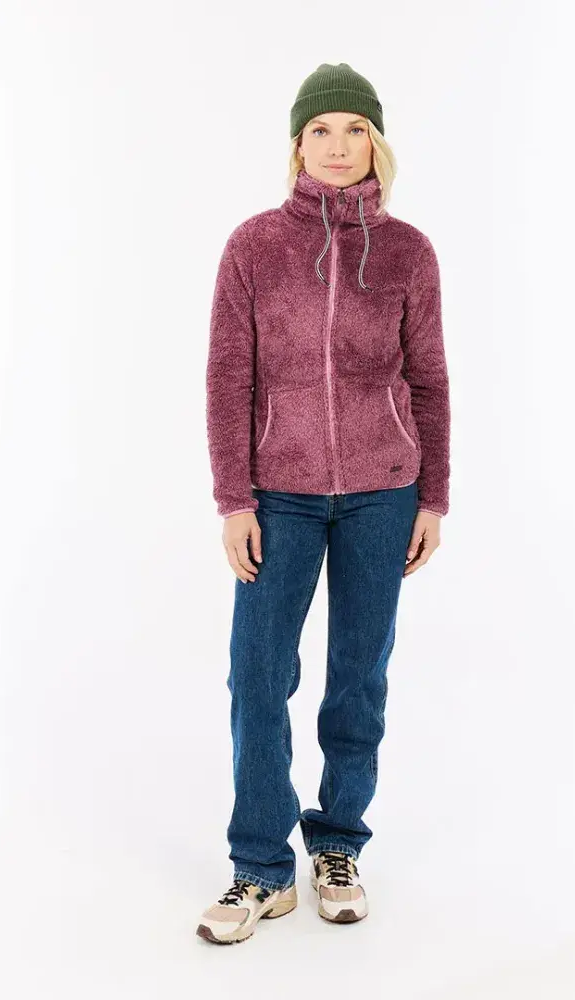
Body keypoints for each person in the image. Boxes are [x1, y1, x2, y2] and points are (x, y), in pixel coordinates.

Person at [197, 62, 451, 945]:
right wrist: (234, 497)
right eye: (320, 131)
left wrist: (433, 495)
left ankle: (338, 844)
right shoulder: (255, 245)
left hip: (386, 493)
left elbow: (430, 380)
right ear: (298, 144)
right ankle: (261, 867)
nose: (337, 146)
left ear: (375, 143)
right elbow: (227, 378)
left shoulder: (409, 252)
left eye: (353, 130)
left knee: (357, 679)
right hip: (281, 495)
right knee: (258, 674)